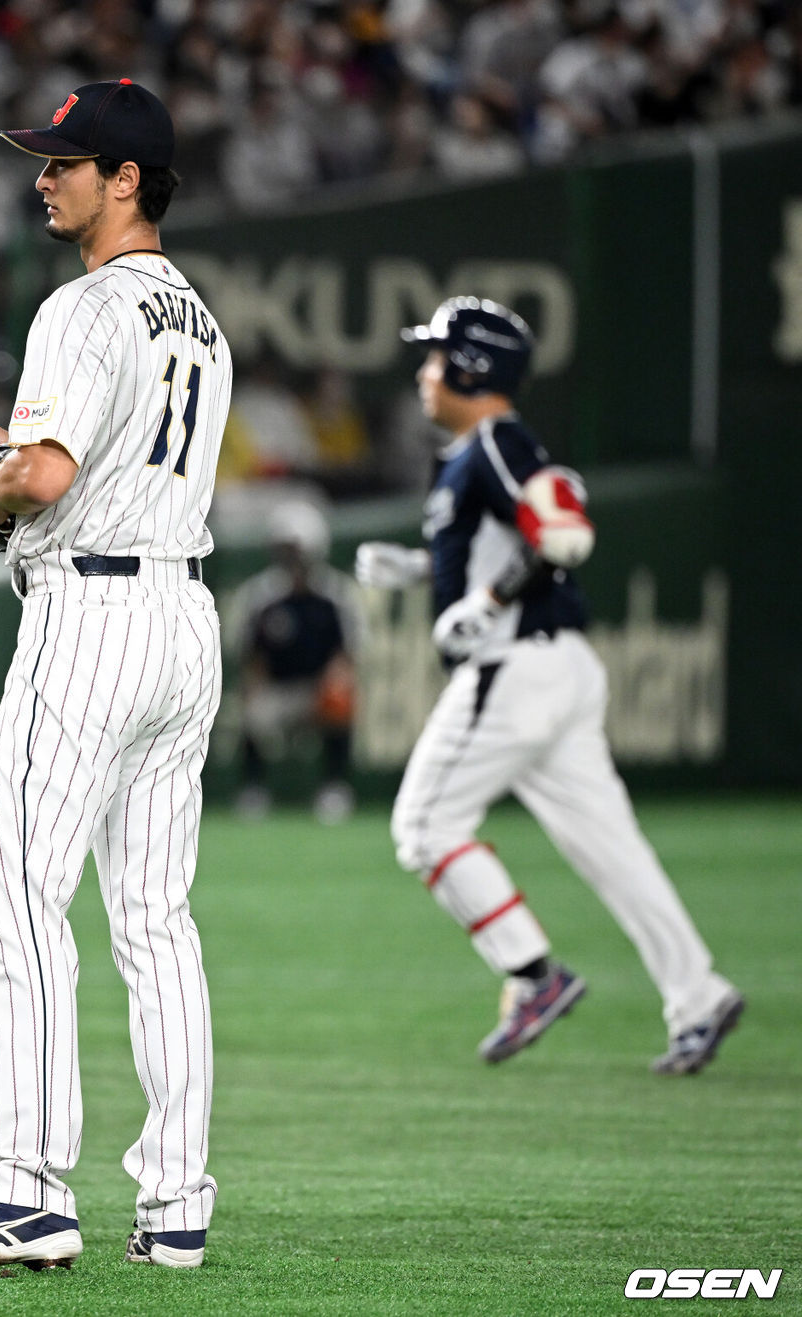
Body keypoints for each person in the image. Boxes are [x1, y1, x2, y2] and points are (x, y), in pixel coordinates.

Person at [0, 80, 233, 1274]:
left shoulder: (85, 308)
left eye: (65, 162)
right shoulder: (200, 321)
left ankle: (27, 1187)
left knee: (20, 897)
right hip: (183, 619)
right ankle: (177, 1203)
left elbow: (38, 481)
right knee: (154, 919)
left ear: (125, 179)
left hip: (89, 616)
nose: (43, 179)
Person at [355, 296, 743, 1074]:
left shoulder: (495, 438)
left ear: (471, 367)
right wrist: (421, 570)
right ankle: (697, 994)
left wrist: (489, 600)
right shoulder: (476, 450)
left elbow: (563, 534)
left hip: (516, 667)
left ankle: (534, 973)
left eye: (436, 357)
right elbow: (509, 540)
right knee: (614, 849)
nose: (425, 372)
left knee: (424, 826)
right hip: (559, 667)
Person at [228, 499, 360, 823]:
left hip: (317, 691)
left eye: (293, 548)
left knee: (341, 695)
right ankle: (253, 788)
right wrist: (254, 691)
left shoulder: (335, 596)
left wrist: (333, 682)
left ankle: (334, 787)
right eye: (282, 548)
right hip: (278, 691)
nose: (288, 557)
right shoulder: (261, 596)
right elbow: (248, 657)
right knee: (252, 705)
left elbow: (348, 655)